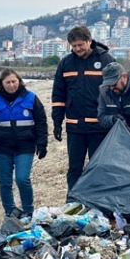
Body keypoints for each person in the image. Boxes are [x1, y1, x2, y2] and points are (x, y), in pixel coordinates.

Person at [52, 26, 115, 192]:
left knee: (98, 168)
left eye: (80, 44)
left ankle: (97, 202)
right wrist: (57, 122)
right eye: (73, 46)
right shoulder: (66, 63)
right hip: (75, 126)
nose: (77, 49)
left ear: (89, 41)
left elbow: (116, 92)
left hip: (99, 126)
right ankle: (73, 200)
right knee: (74, 169)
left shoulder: (106, 60)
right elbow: (58, 95)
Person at [0, 68, 48, 216]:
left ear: (19, 81)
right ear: (2, 84)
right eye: (8, 82)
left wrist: (42, 143)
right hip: (2, 148)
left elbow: (41, 122)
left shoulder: (31, 98)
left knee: (22, 179)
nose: (11, 85)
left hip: (25, 146)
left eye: (14, 81)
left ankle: (28, 212)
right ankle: (10, 212)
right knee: (5, 183)